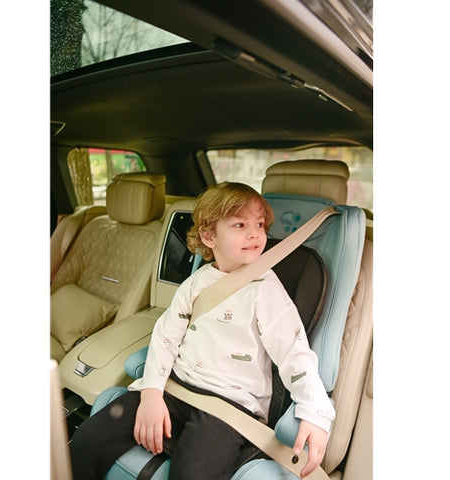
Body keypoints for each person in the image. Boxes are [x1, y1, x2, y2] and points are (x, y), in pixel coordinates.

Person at [70, 182, 335, 480]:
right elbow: (165, 338)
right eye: (240, 225)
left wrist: (315, 414)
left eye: (260, 224)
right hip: (175, 389)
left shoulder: (266, 290)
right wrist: (152, 394)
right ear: (209, 236)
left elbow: (294, 354)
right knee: (87, 440)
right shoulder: (196, 283)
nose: (255, 234)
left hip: (227, 409)